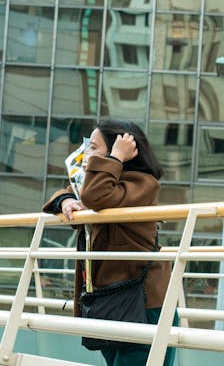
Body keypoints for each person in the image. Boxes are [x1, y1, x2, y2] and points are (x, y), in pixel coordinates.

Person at [43, 118, 175, 366]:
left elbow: (94, 196)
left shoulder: (142, 184)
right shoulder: (107, 188)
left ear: (120, 151)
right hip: (112, 302)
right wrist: (66, 200)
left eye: (93, 147)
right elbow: (82, 194)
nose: (85, 154)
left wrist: (114, 158)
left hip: (142, 303)